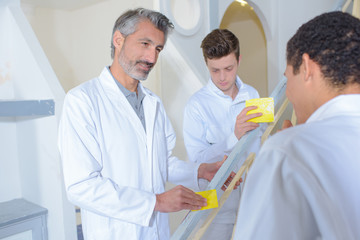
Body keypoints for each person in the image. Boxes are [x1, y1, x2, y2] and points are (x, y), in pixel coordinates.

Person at [58, 8, 226, 240]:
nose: (152, 58)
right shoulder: (82, 101)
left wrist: (200, 170)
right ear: (118, 40)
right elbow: (81, 186)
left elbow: (161, 162)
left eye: (158, 49)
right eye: (145, 44)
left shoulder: (152, 103)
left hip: (157, 232)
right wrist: (155, 202)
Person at [233, 11, 360, 239]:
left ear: (306, 68)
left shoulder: (285, 152)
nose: (288, 92)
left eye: (287, 77)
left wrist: (291, 147)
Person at [183, 29, 265, 240]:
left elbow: (262, 140)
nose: (222, 77)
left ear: (239, 59)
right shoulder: (196, 106)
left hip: (252, 202)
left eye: (228, 68)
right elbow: (198, 162)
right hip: (216, 207)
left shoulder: (253, 95)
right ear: (207, 65)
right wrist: (233, 136)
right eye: (214, 70)